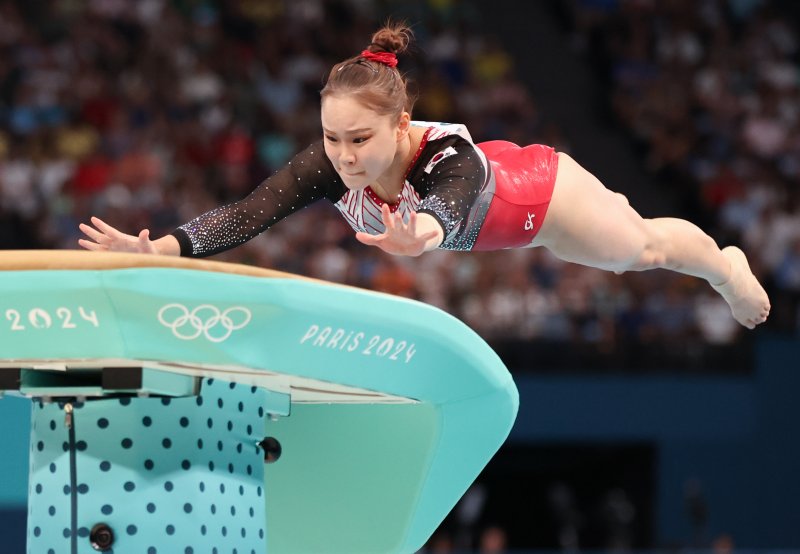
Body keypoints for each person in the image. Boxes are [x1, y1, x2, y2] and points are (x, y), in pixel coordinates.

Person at [78, 23, 770, 330]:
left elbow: (460, 191)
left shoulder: (443, 155)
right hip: (486, 230)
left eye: (360, 138)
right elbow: (246, 214)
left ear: (401, 123)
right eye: (331, 138)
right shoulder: (327, 167)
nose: (344, 155)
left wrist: (428, 233)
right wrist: (158, 248)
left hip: (542, 196)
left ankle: (722, 266)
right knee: (627, 249)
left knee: (637, 250)